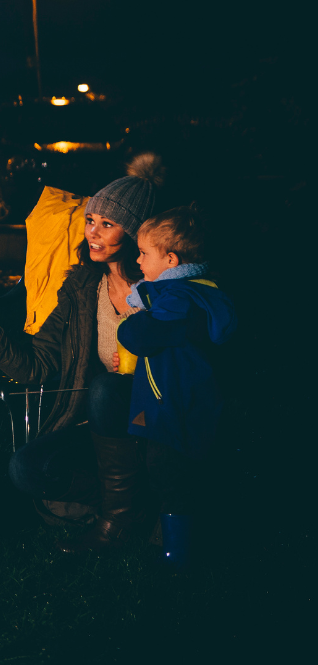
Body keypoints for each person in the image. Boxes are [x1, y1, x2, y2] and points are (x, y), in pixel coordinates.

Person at [0, 153, 165, 549]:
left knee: (107, 388)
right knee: (26, 468)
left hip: (154, 422)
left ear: (135, 234)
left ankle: (117, 524)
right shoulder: (83, 288)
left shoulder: (163, 291)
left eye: (108, 224)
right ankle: (133, 510)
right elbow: (37, 365)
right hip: (101, 432)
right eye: (90, 220)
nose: (92, 233)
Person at [118, 205, 236, 566]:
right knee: (173, 473)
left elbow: (143, 336)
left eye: (143, 253)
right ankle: (174, 545)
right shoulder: (198, 292)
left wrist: (129, 324)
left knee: (169, 475)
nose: (137, 260)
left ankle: (176, 555)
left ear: (171, 260)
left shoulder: (177, 299)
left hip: (172, 406)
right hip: (182, 402)